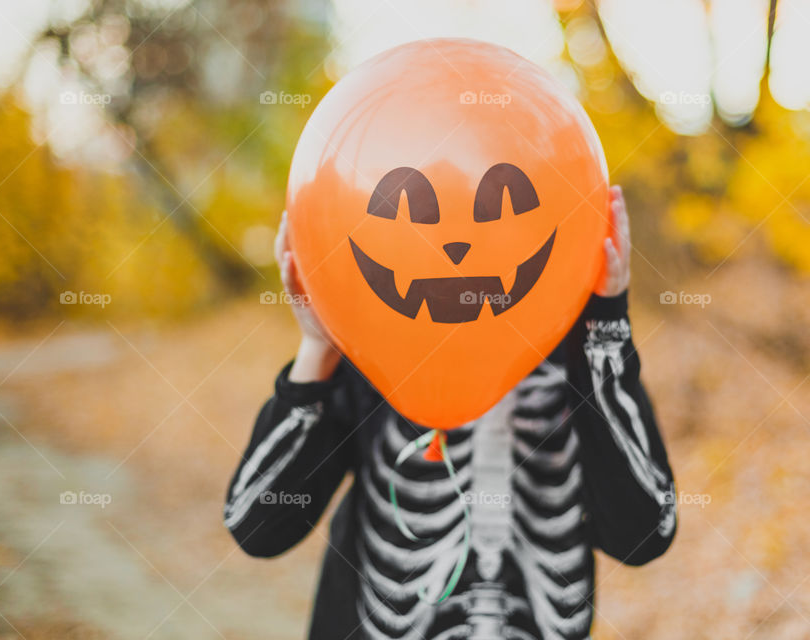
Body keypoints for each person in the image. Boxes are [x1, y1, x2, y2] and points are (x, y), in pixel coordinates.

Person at [224, 186, 677, 640]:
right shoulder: (377, 356)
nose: (462, 247)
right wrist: (319, 349)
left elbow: (643, 534)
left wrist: (604, 327)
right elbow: (258, 527)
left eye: (499, 216)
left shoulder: (578, 363)